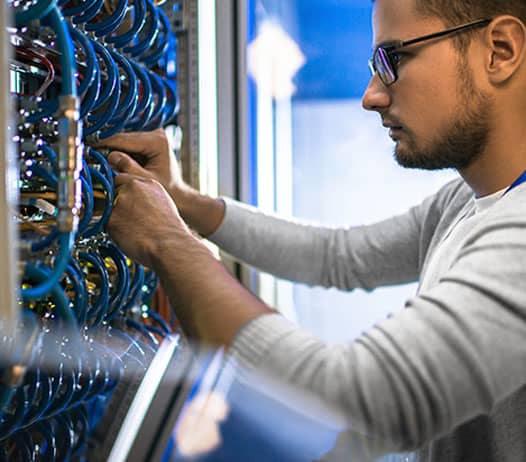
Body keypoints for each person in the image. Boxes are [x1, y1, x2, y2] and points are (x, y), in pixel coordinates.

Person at [97, 0, 526, 460]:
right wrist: (185, 203)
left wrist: (168, 243)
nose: (371, 95)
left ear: (499, 50)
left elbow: (357, 404)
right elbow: (338, 255)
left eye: (393, 60)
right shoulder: (465, 201)